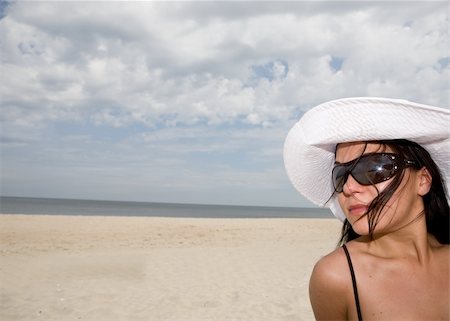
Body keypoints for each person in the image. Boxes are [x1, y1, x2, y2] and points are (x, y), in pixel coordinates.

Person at [283, 97, 449, 320]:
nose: (349, 188)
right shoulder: (337, 277)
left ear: (423, 180)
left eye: (373, 168)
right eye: (340, 176)